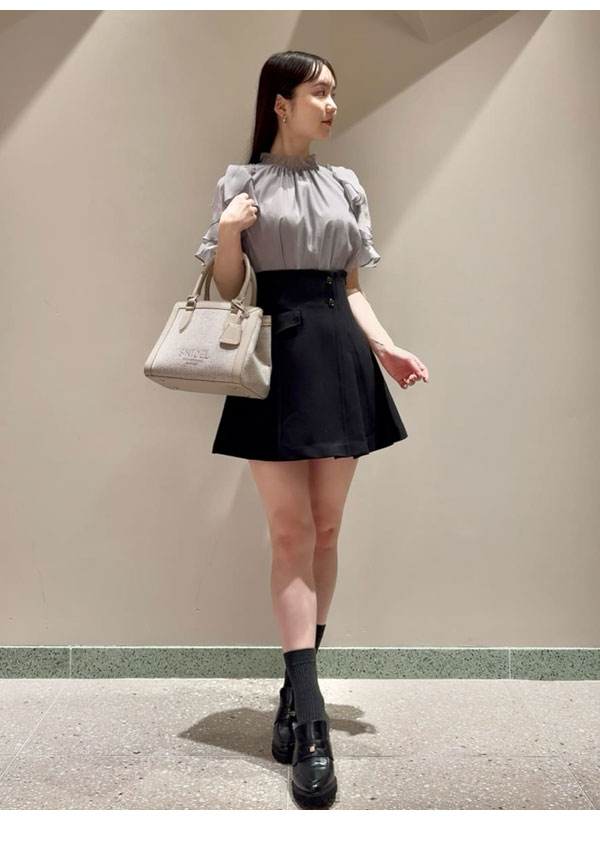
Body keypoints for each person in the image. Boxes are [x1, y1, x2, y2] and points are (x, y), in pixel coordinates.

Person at [195, 50, 429, 809]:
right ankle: (313, 720)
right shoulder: (241, 183)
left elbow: (352, 288)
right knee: (290, 532)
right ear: (281, 102)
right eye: (318, 92)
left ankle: (295, 694)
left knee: (327, 529)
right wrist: (230, 231)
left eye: (333, 93)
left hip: (338, 353)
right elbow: (229, 286)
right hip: (276, 355)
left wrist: (385, 346)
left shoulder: (344, 184)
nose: (331, 105)